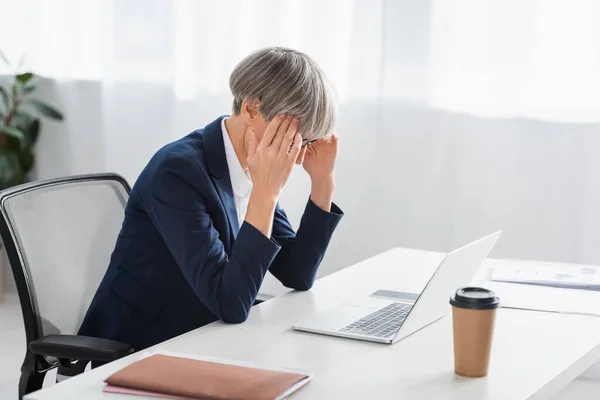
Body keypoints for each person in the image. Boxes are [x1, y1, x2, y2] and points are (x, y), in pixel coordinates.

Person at [79, 47, 343, 352]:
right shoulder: (178, 172)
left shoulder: (249, 166)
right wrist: (266, 194)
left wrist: (323, 182)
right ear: (252, 110)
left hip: (204, 335)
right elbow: (230, 304)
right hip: (142, 346)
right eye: (292, 139)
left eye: (304, 143)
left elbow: (297, 272)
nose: (295, 156)